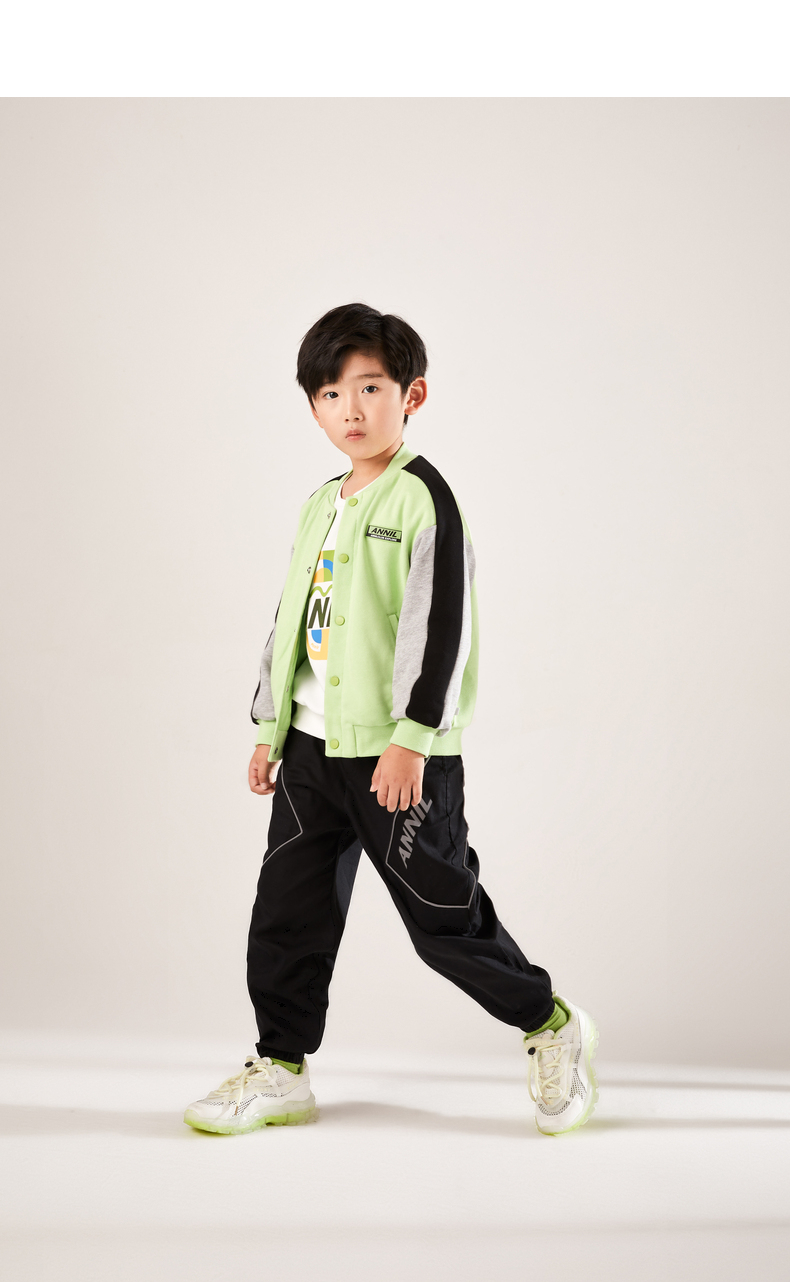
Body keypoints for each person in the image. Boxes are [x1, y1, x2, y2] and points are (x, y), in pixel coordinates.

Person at [183, 303, 598, 1138]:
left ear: (413, 395)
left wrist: (413, 738)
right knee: (287, 914)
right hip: (310, 752)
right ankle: (281, 1067)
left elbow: (442, 629)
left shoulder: (424, 499)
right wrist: (269, 727)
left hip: (398, 760)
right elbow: (292, 617)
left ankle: (550, 1023)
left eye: (370, 387)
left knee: (443, 923)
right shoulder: (319, 503)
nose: (352, 408)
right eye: (332, 393)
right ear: (313, 407)